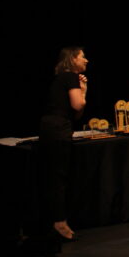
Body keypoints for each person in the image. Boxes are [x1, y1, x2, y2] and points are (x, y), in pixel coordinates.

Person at [38, 46, 88, 242]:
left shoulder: (64, 78)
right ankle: (59, 223)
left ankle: (55, 221)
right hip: (57, 130)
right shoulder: (70, 76)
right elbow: (78, 105)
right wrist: (83, 92)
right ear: (73, 59)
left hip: (53, 128)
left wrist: (83, 90)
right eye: (83, 57)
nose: (86, 60)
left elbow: (77, 114)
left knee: (56, 177)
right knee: (58, 178)